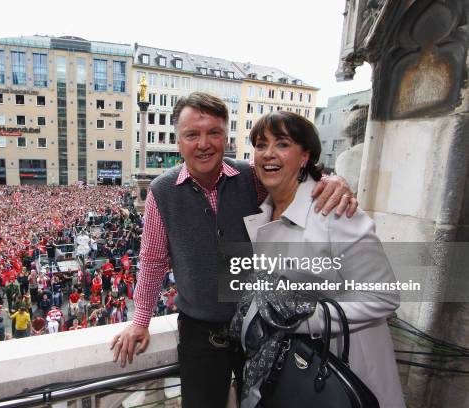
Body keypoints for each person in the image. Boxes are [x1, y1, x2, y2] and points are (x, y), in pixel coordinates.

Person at [111, 92, 357, 407]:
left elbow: (296, 176)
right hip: (199, 330)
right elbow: (154, 261)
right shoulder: (162, 191)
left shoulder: (250, 176)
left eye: (214, 132)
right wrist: (141, 319)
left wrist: (335, 180)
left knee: (263, 402)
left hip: (261, 323)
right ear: (178, 142)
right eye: (192, 135)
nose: (204, 143)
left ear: (226, 138)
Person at [235, 111, 404, 407]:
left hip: (335, 369)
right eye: (261, 145)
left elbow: (383, 296)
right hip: (279, 368)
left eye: (283, 144)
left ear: (305, 156)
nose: (268, 154)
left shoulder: (335, 212)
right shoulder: (263, 210)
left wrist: (299, 318)